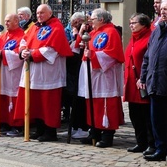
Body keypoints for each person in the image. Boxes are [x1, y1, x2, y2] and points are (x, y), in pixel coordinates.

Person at [15, 4, 72, 142]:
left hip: (49, 73)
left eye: (42, 13)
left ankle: (50, 132)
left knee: (48, 103)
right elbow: (23, 40)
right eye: (38, 13)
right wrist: (23, 51)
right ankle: (39, 129)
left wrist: (32, 54)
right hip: (33, 72)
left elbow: (53, 49)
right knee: (36, 103)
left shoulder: (56, 27)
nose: (39, 15)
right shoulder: (34, 27)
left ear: (50, 13)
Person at [140, 0, 167, 161]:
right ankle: (160, 147)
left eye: (166, 9)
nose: (162, 12)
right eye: (161, 9)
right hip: (155, 81)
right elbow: (148, 55)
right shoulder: (158, 29)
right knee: (156, 118)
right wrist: (144, 76)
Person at [76, 8, 125, 148]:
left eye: (93, 18)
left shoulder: (111, 32)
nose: (90, 21)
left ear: (101, 20)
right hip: (92, 74)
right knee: (92, 103)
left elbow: (113, 54)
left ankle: (107, 136)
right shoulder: (94, 32)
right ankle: (94, 132)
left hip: (105, 76)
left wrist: (95, 55)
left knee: (105, 105)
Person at [0, 13, 24, 136]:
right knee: (0, 94)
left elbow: (20, 54)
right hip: (0, 70)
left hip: (13, 72)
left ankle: (16, 125)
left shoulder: (22, 36)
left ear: (16, 22)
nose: (6, 24)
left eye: (8, 21)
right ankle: (2, 122)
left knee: (13, 96)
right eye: (5, 21)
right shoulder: (3, 36)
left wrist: (2, 54)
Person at [123, 13, 154, 153]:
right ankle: (140, 142)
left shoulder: (149, 37)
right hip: (132, 84)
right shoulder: (133, 38)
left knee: (146, 116)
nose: (131, 25)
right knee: (134, 115)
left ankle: (150, 143)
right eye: (130, 23)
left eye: (134, 23)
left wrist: (144, 78)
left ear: (143, 24)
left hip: (142, 83)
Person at [61, 12, 89, 139]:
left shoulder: (86, 32)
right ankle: (74, 126)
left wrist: (78, 34)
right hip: (73, 70)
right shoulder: (75, 32)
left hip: (80, 68)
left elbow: (78, 46)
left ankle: (82, 127)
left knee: (80, 100)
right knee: (74, 100)